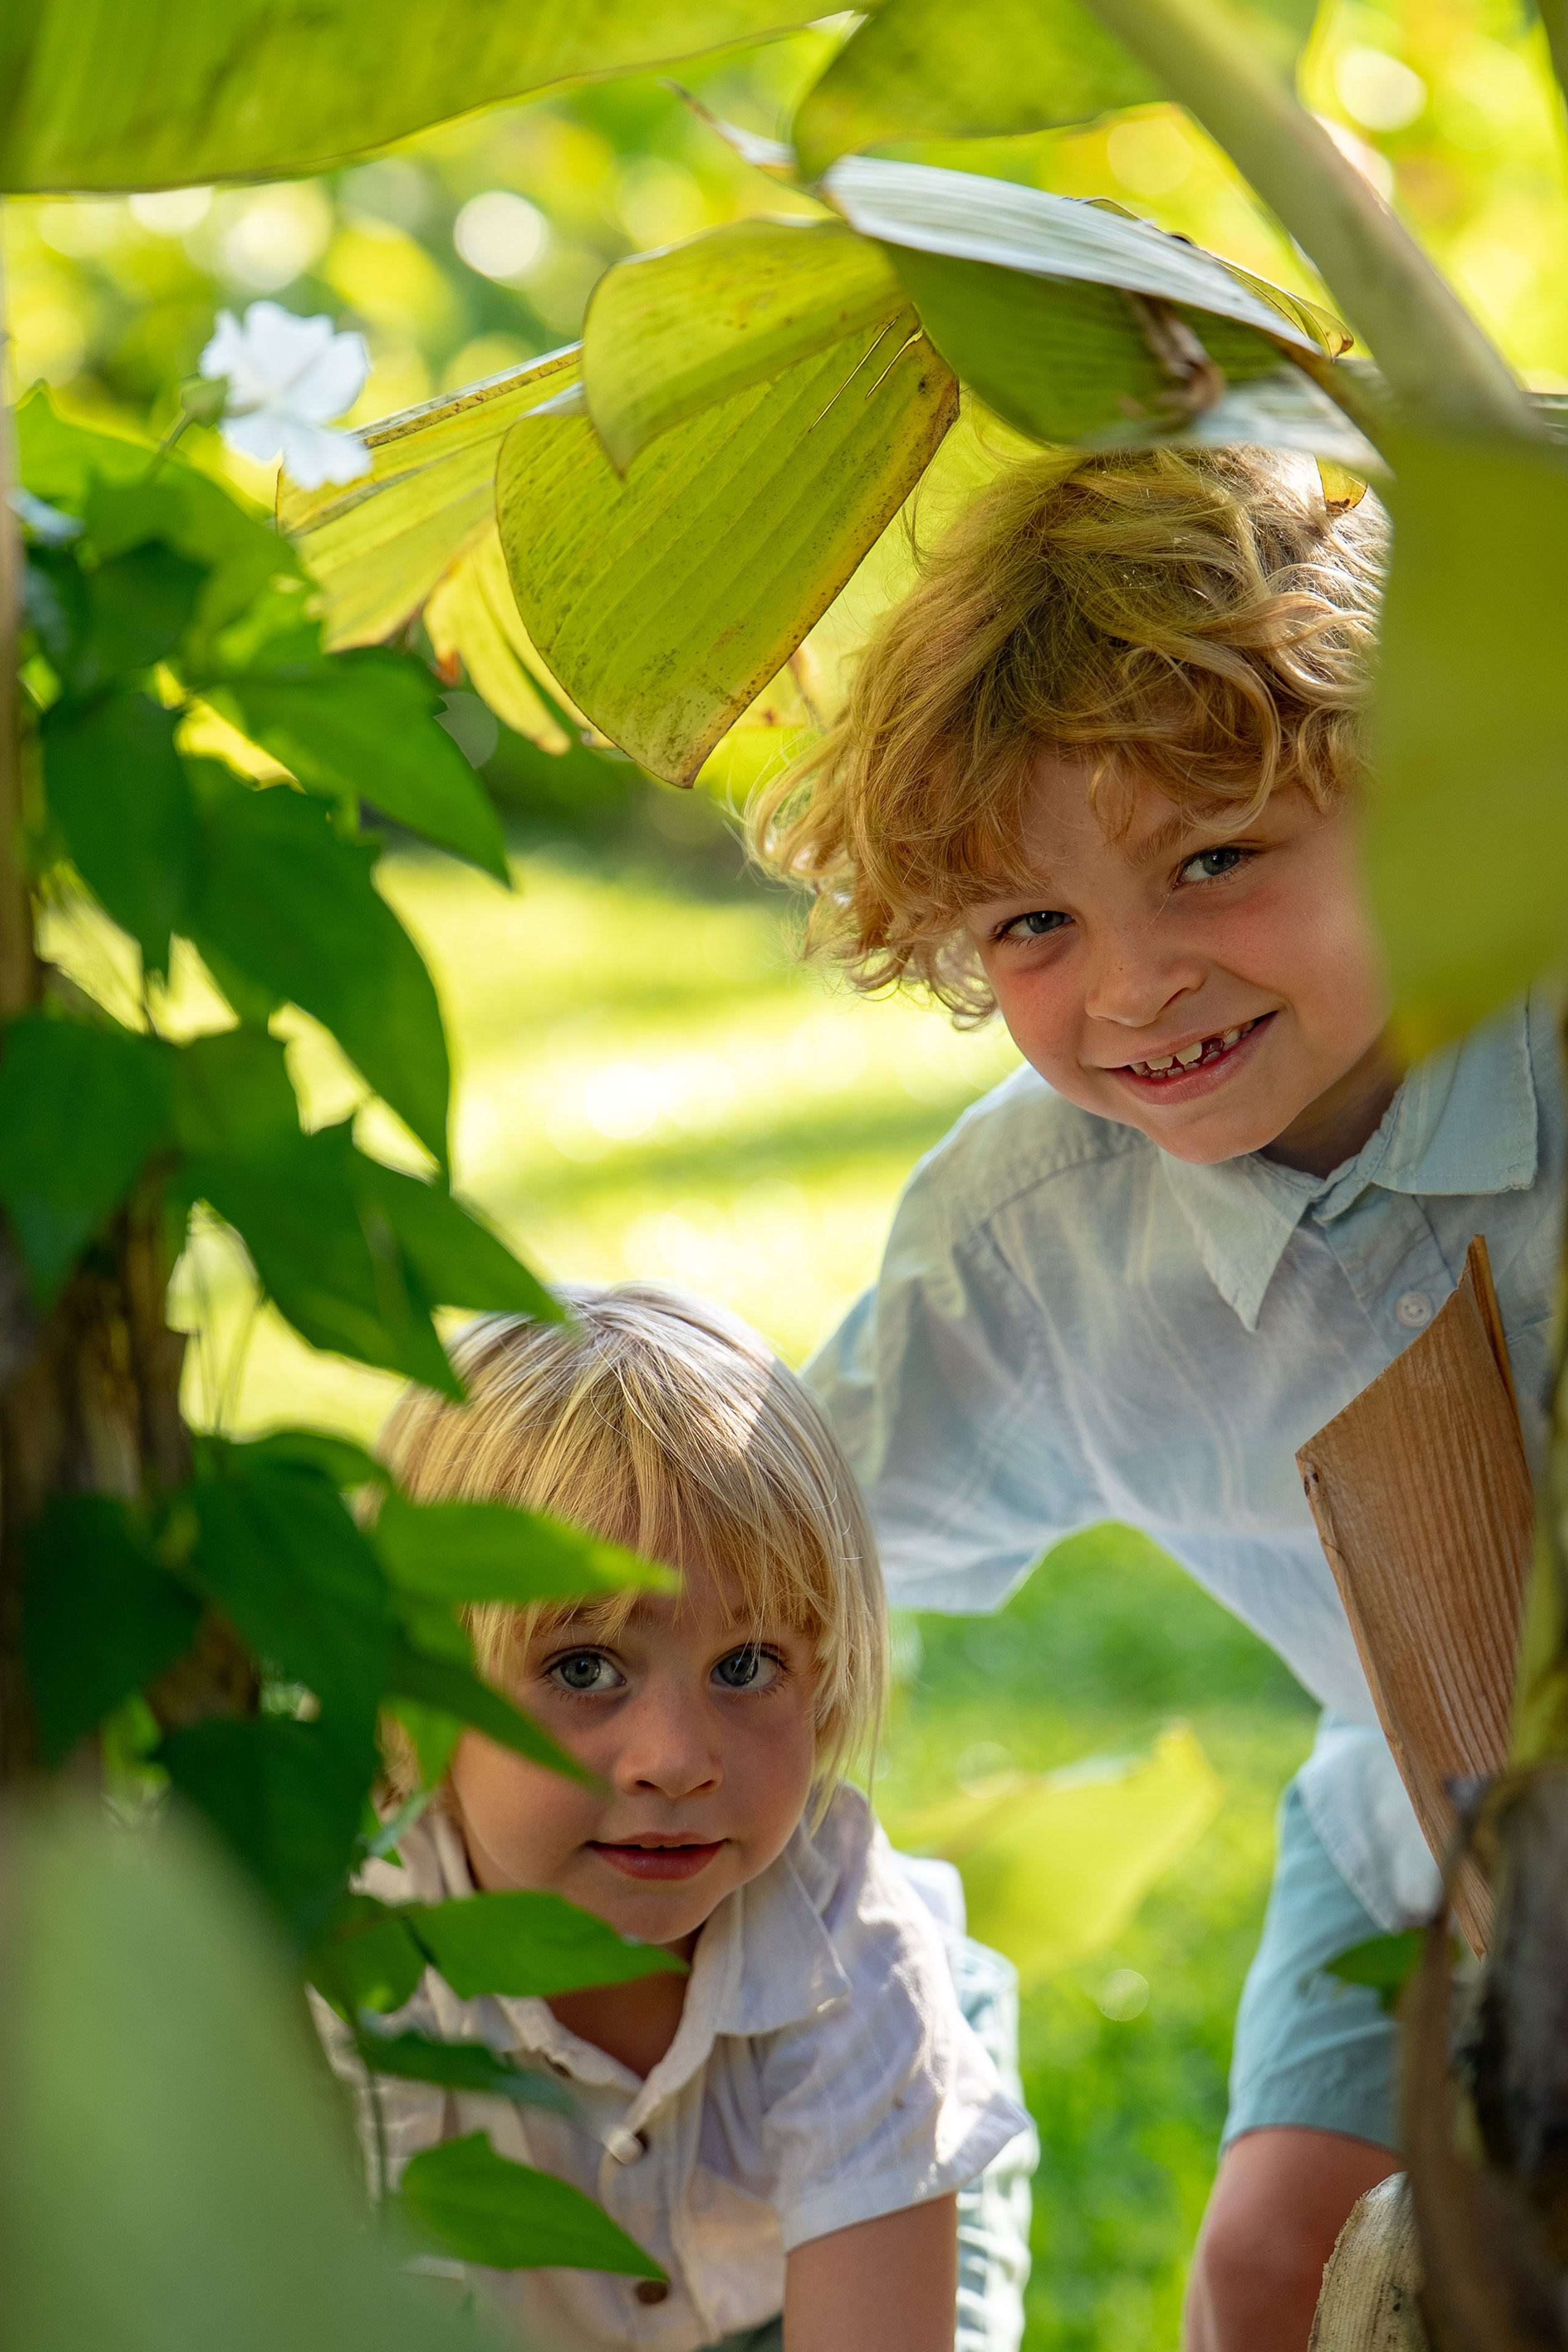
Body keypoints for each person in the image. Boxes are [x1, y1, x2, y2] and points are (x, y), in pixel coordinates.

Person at [752, 444, 1563, 2352]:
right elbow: (795, 1533)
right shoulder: (1039, 1238)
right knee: (1277, 2266)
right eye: (1033, 927)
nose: (1136, 984)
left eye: (1217, 860)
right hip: (1423, 1818)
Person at [322, 1285, 1034, 2352]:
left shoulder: (850, 1941)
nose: (679, 1761)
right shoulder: (365, 1959)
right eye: (583, 1666)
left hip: (798, 2279)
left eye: (746, 1666)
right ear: (421, 1696)